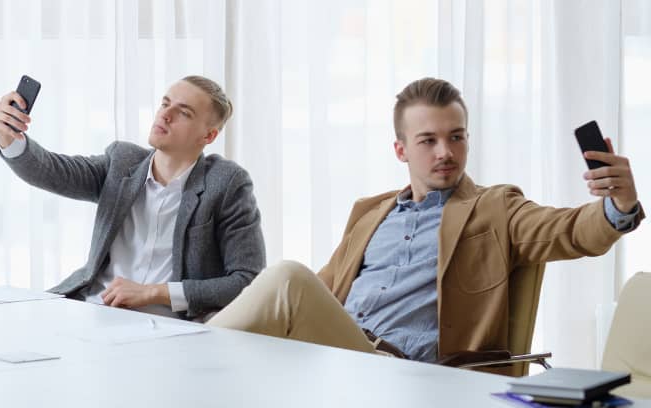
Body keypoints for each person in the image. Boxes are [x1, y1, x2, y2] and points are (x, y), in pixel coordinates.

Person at [208, 77, 644, 374]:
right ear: (401, 150)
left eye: (456, 136)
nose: (445, 152)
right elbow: (318, 295)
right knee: (281, 297)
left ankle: (187, 356)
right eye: (428, 140)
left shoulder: (495, 207)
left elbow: (568, 231)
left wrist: (618, 204)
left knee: (286, 277)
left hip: (398, 371)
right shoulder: (368, 212)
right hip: (330, 360)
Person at [0, 75, 265, 320]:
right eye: (165, 103)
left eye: (183, 112)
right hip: (90, 310)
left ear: (209, 135)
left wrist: (154, 293)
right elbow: (53, 170)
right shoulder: (122, 162)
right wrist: (10, 138)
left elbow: (247, 281)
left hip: (167, 326)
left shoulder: (227, 183)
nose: (165, 115)